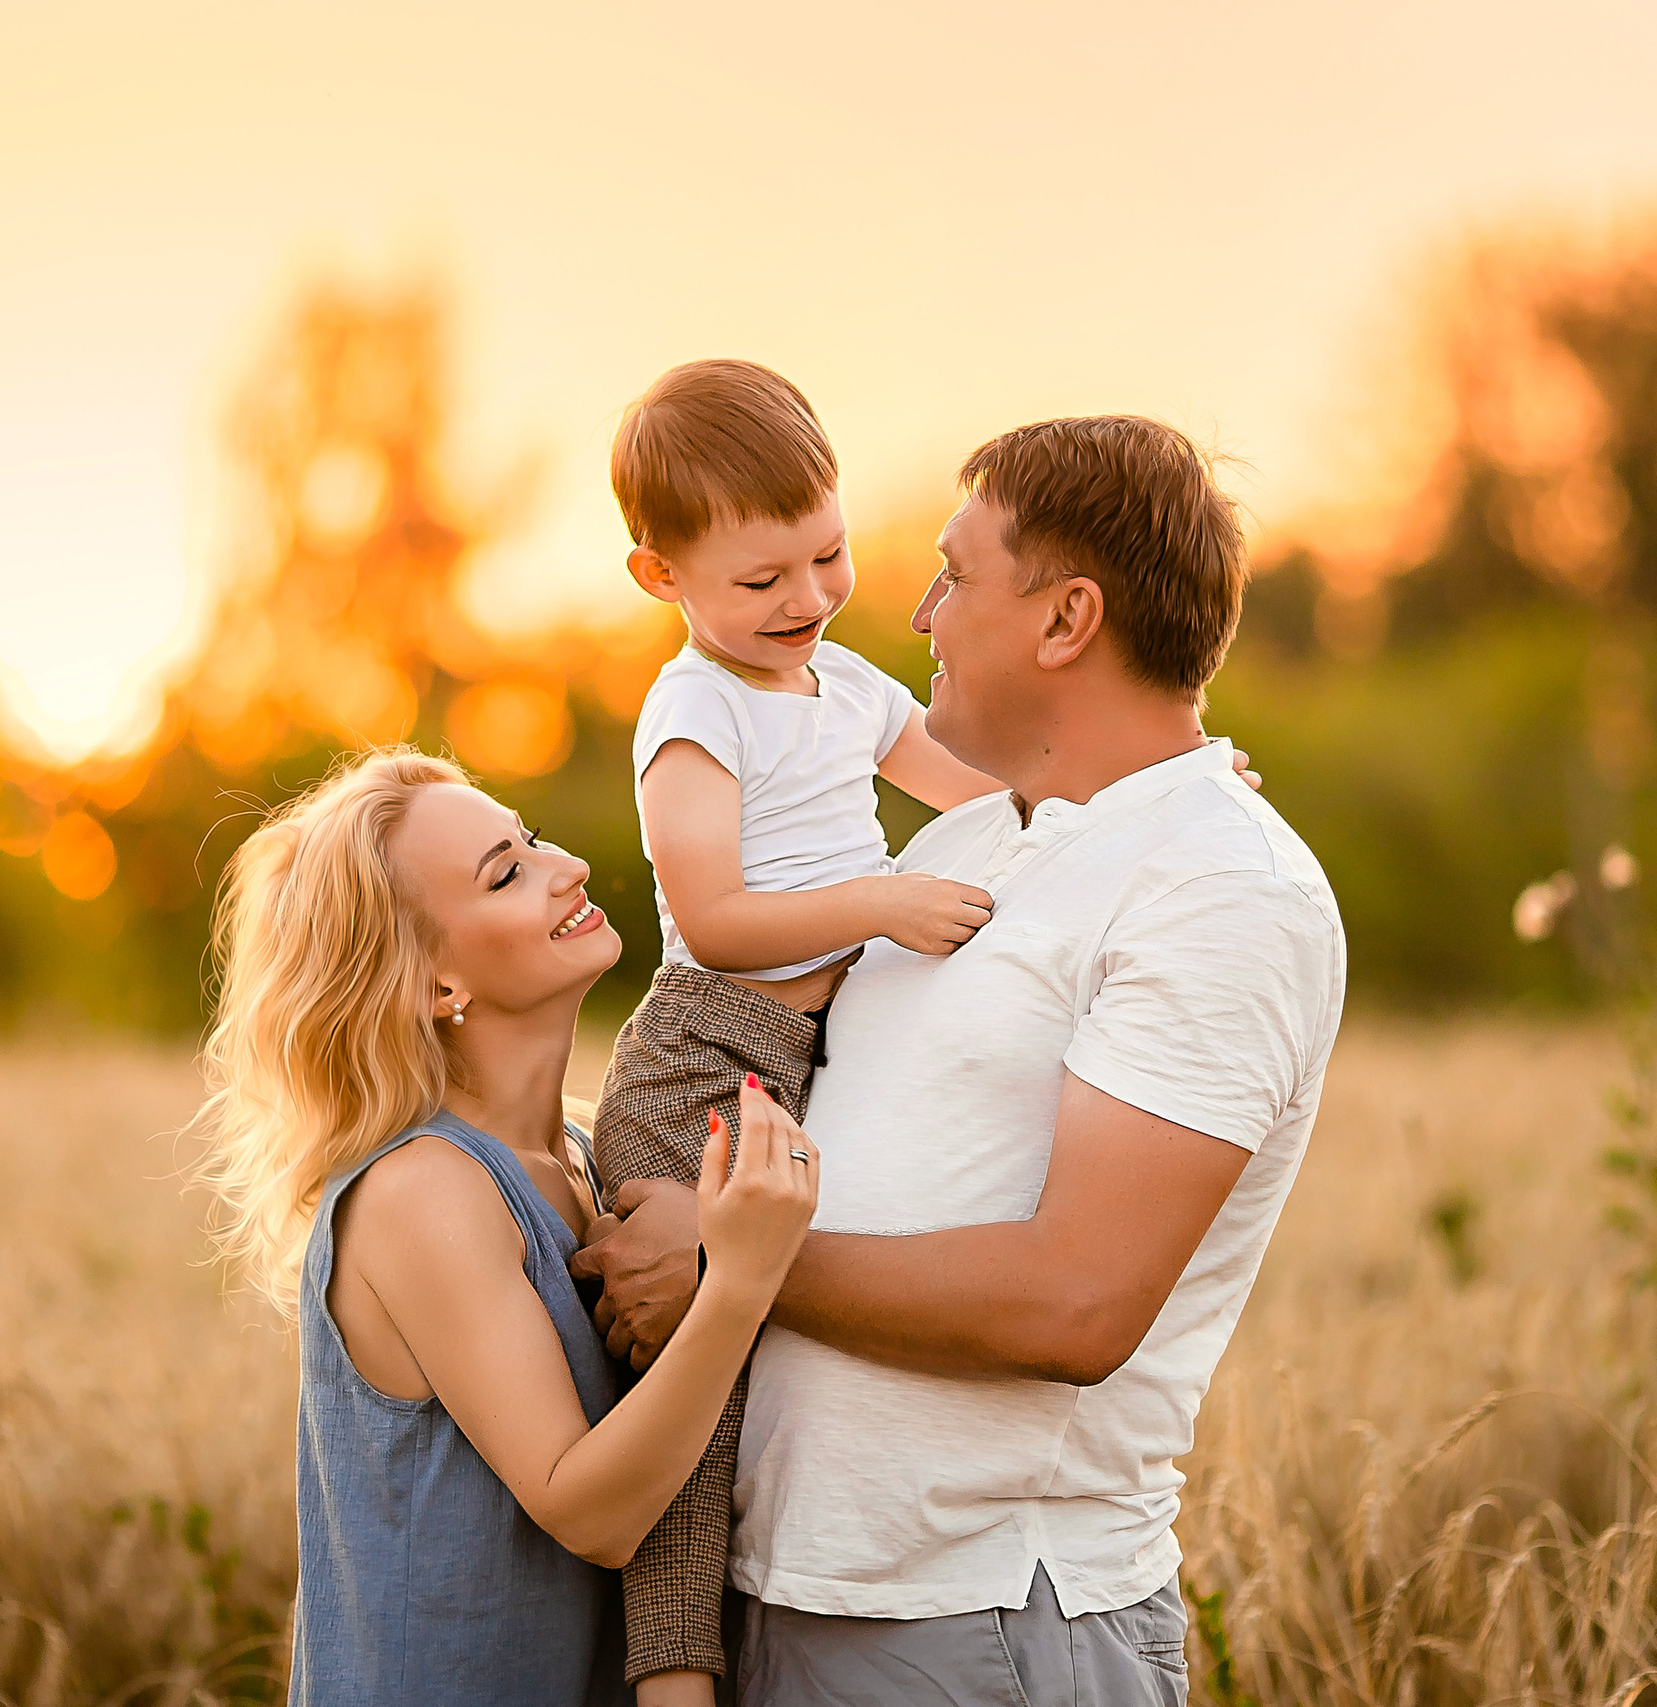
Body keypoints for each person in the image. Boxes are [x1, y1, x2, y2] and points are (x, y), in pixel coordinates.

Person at [576, 416, 1348, 1707]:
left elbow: (1077, 1302)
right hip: (792, 1592)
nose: (916, 614)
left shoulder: (1221, 887)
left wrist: (722, 1264)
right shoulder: (960, 849)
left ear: (1065, 620)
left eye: (954, 574)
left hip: (979, 1618)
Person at [189, 749, 823, 1707]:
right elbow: (590, 1511)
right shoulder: (425, 1189)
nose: (565, 864)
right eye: (507, 871)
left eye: (529, 838)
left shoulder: (579, 1151)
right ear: (434, 984)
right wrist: (739, 1281)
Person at [591, 358, 1003, 1705]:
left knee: (763, 1385)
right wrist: (882, 899)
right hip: (703, 1057)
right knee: (690, 1419)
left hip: (802, 1059)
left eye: (827, 555)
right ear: (665, 578)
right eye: (761, 580)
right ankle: (672, 1682)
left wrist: (1150, 776)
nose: (808, 600)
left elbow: (985, 787)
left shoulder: (843, 682)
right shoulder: (694, 708)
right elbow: (712, 915)